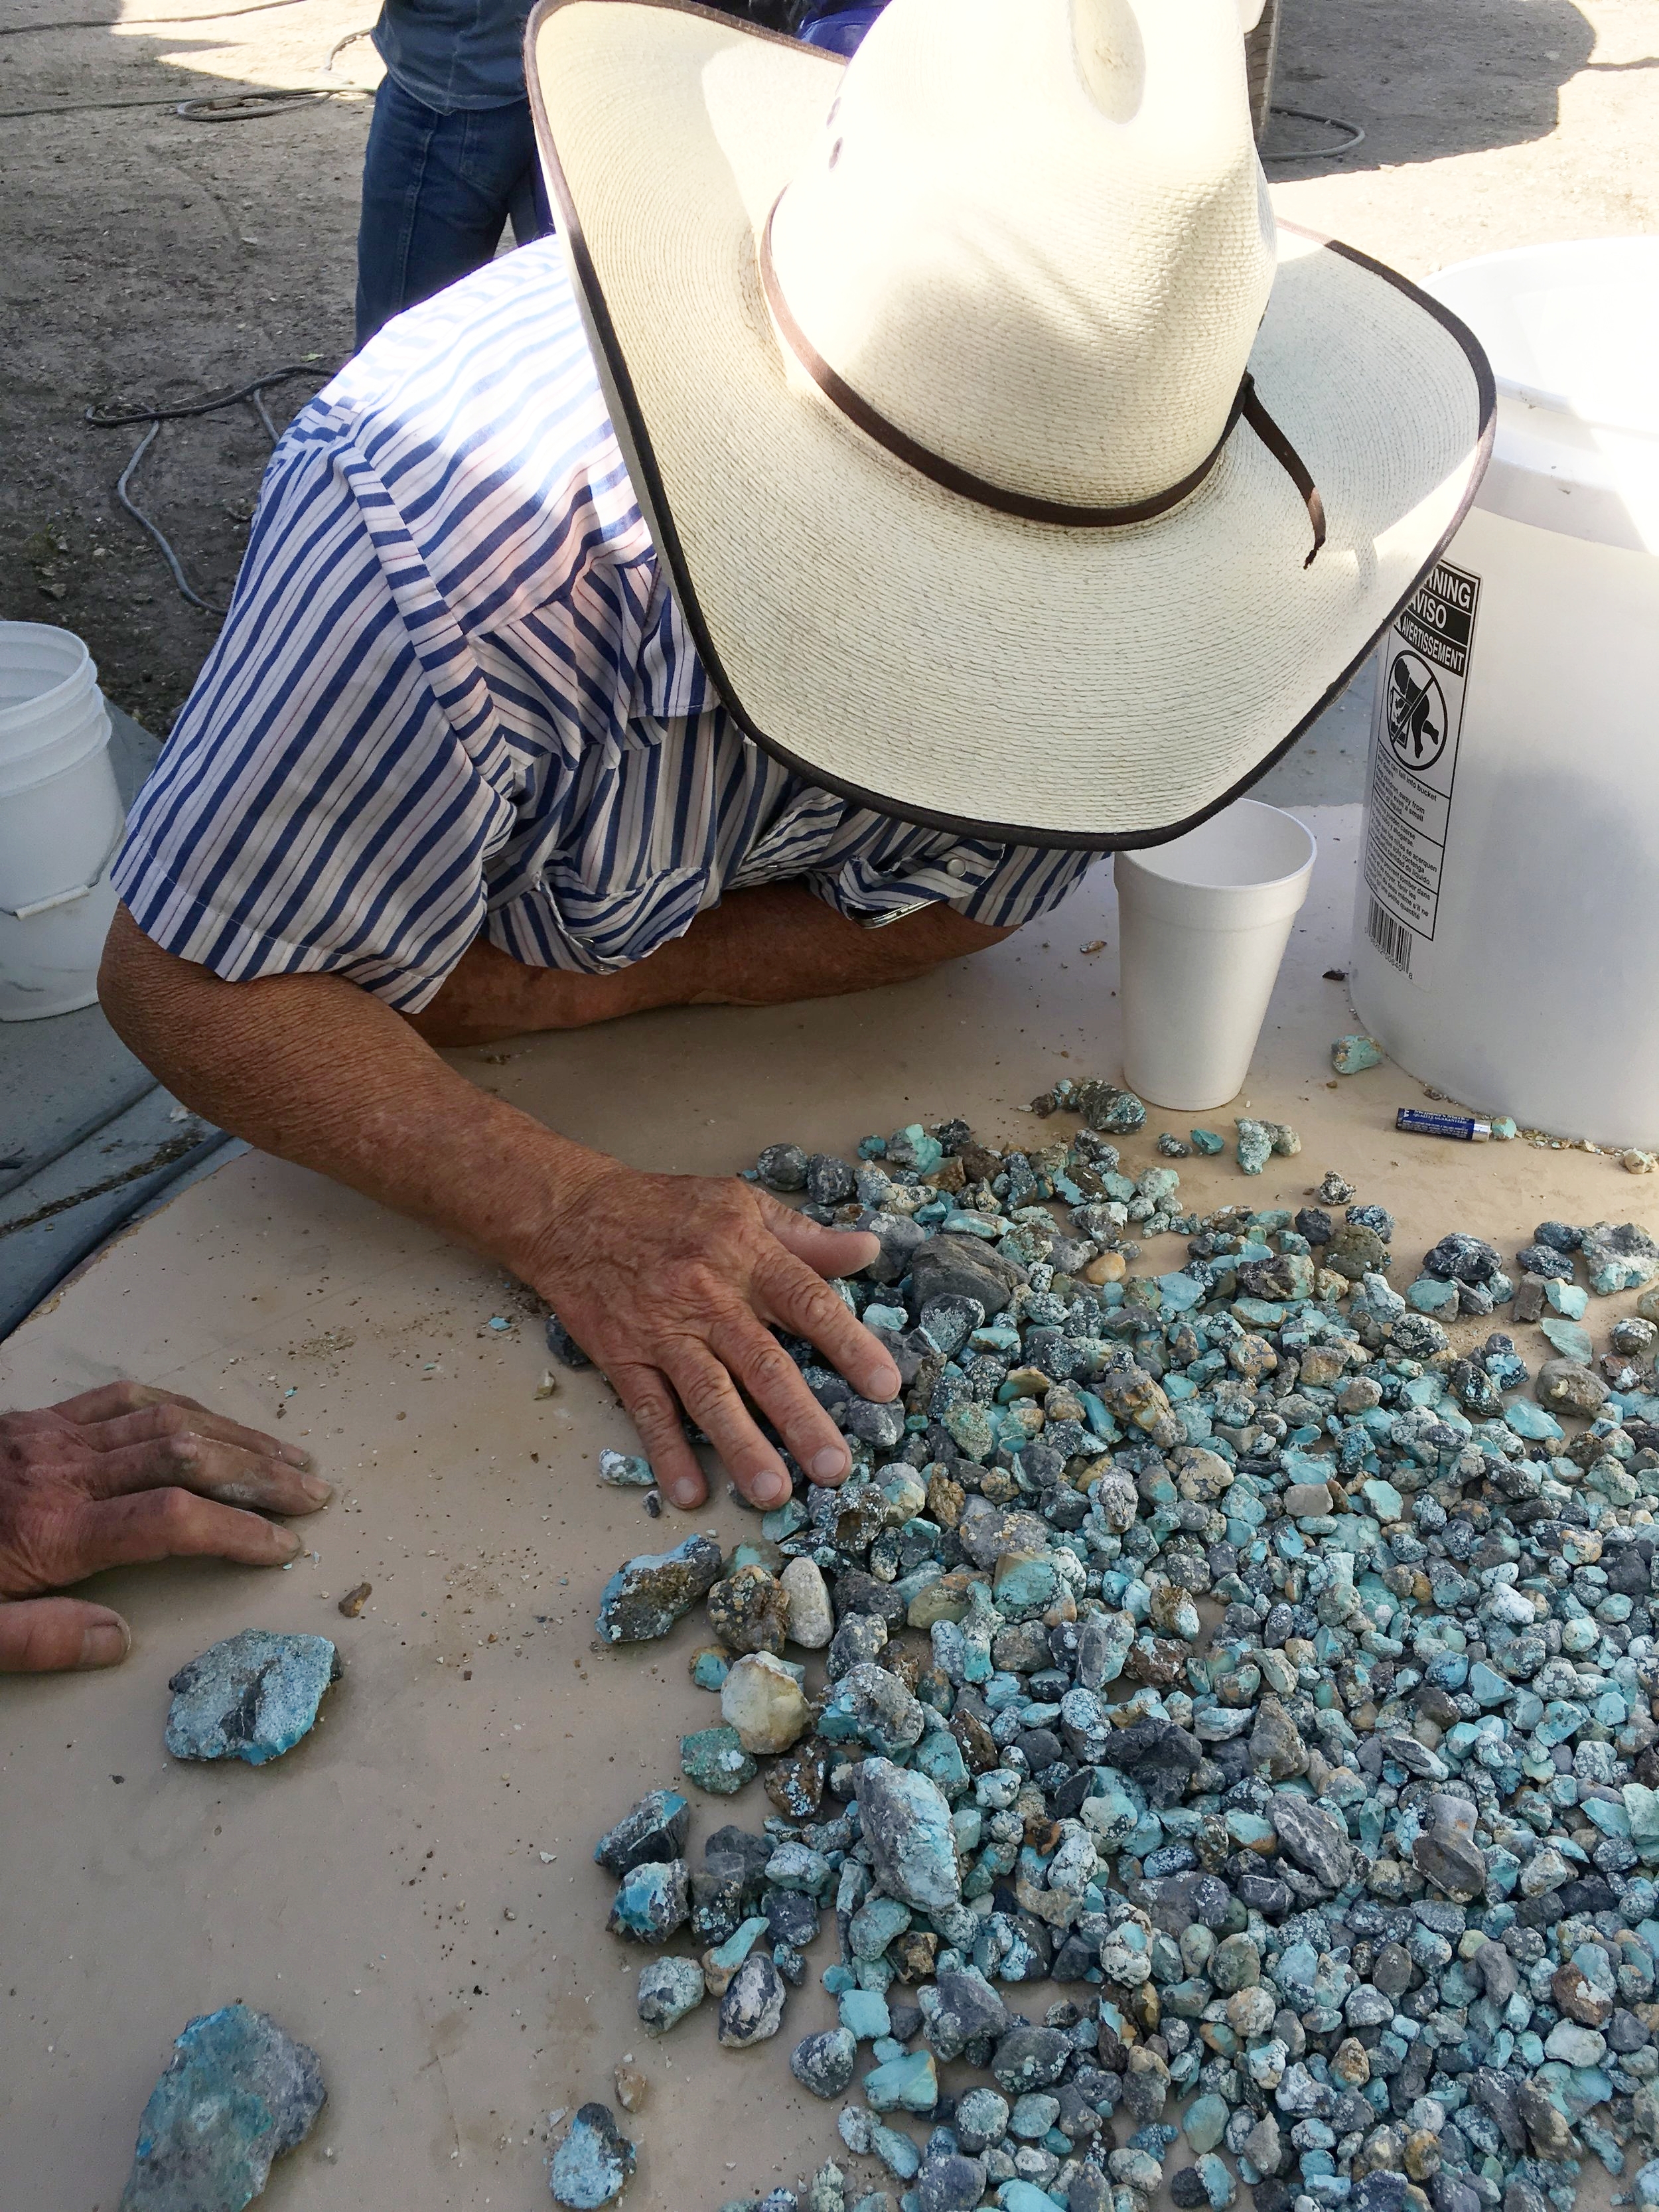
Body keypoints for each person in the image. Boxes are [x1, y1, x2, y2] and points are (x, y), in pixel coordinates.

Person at [79, 0, 1484, 1639]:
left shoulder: (1165, 501)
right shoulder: (444, 546)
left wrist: (599, 982)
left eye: (1072, 603)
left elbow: (979, 900)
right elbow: (184, 980)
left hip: (573, 1001)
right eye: (950, 595)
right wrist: (570, 1209)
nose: (1002, 696)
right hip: (419, 1094)